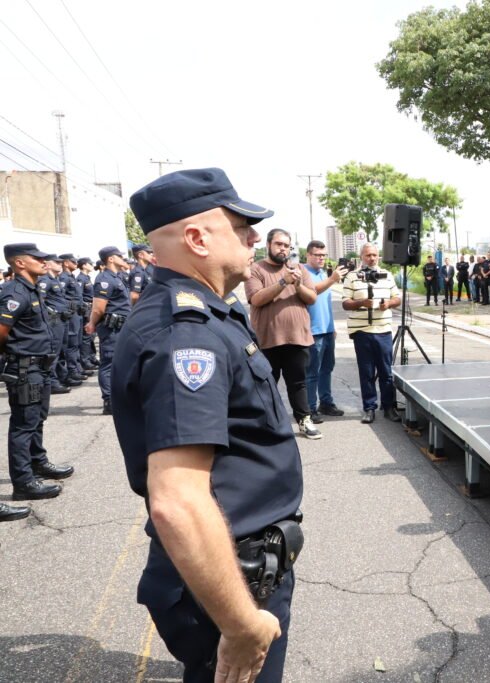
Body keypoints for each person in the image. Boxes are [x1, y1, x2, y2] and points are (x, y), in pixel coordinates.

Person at [113, 167, 301, 683]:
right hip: (228, 578)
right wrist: (240, 625)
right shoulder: (186, 335)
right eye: (240, 228)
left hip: (239, 565)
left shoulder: (210, 314)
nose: (254, 238)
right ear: (197, 238)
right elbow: (177, 500)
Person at [1, 243, 75, 508]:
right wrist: (13, 357)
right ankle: (23, 483)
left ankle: (37, 463)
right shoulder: (14, 292)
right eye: (38, 258)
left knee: (36, 419)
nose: (44, 262)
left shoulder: (32, 288)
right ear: (19, 262)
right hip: (25, 368)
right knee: (23, 425)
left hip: (40, 367)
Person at [245, 229, 322, 440]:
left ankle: (304, 420)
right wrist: (283, 282)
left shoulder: (299, 269)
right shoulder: (256, 269)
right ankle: (268, 425)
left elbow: (312, 298)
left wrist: (297, 284)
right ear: (268, 245)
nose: (283, 249)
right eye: (279, 244)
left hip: (297, 338)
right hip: (268, 339)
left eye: (287, 246)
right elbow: (256, 299)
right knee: (266, 384)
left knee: (298, 382)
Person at [342, 244, 403, 424]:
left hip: (383, 330)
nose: (372, 258)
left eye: (375, 255)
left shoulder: (387, 275)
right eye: (368, 255)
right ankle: (369, 408)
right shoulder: (352, 277)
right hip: (362, 332)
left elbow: (397, 298)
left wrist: (388, 304)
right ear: (361, 256)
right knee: (366, 372)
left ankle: (389, 407)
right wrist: (361, 302)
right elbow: (345, 303)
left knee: (386, 372)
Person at [303, 240, 345, 423]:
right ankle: (310, 408)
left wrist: (332, 327)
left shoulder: (322, 274)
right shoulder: (303, 273)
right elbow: (312, 292)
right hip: (312, 332)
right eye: (317, 255)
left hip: (327, 330)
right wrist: (332, 279)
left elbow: (325, 305)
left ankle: (326, 403)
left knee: (327, 369)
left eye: (324, 255)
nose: (321, 258)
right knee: (312, 372)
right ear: (308, 255)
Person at [86, 247, 132, 414]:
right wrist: (92, 323)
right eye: (119, 256)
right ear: (111, 259)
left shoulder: (117, 277)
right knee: (109, 363)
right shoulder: (104, 279)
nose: (123, 258)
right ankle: (109, 400)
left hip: (122, 326)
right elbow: (98, 308)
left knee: (120, 363)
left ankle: (118, 397)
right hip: (111, 328)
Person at [38, 255, 78, 392]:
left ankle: (63, 377)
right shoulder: (45, 280)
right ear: (48, 264)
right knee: (54, 351)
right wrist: (53, 312)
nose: (60, 264)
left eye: (60, 262)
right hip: (55, 321)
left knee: (62, 350)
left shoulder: (55, 279)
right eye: (56, 262)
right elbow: (41, 302)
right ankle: (52, 382)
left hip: (63, 319)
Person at [58, 253, 89, 382]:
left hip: (78, 312)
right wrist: (68, 308)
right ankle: (72, 370)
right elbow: (60, 296)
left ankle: (77, 367)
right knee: (72, 343)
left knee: (77, 342)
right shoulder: (63, 277)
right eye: (73, 262)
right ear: (66, 263)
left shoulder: (72, 277)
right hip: (71, 313)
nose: (76, 264)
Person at [76, 257, 97, 369]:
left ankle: (91, 357)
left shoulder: (87, 277)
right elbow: (79, 295)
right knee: (87, 336)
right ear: (84, 265)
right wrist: (85, 308)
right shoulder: (80, 278)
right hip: (87, 309)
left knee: (91, 336)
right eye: (90, 264)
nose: (92, 266)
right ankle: (85, 360)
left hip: (91, 307)